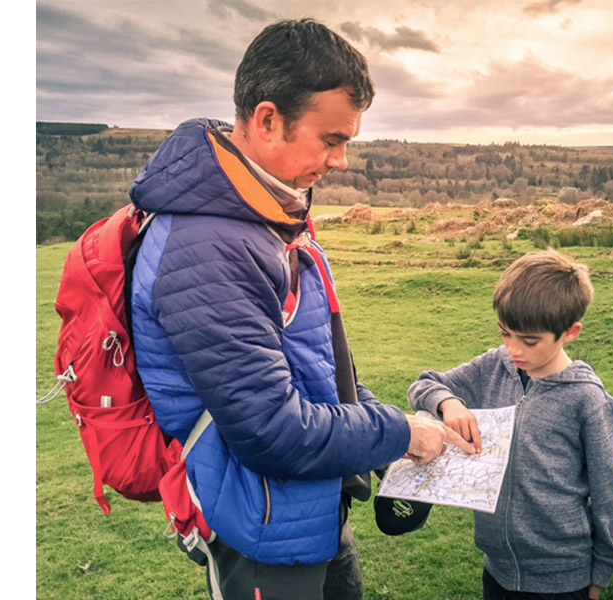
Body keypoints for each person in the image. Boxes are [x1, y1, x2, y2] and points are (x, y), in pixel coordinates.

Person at [128, 18, 474, 600]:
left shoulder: (269, 212)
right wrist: (400, 432)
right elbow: (271, 432)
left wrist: (386, 424)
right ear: (267, 119)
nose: (340, 161)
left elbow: (318, 363)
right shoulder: (208, 247)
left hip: (308, 506)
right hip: (262, 529)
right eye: (332, 139)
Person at [408, 249, 613, 600]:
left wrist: (599, 576)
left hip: (564, 581)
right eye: (506, 333)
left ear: (569, 332)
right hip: (496, 571)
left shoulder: (589, 401)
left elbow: (607, 496)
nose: (512, 349)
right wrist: (449, 403)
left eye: (529, 340)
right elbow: (423, 384)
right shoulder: (494, 366)